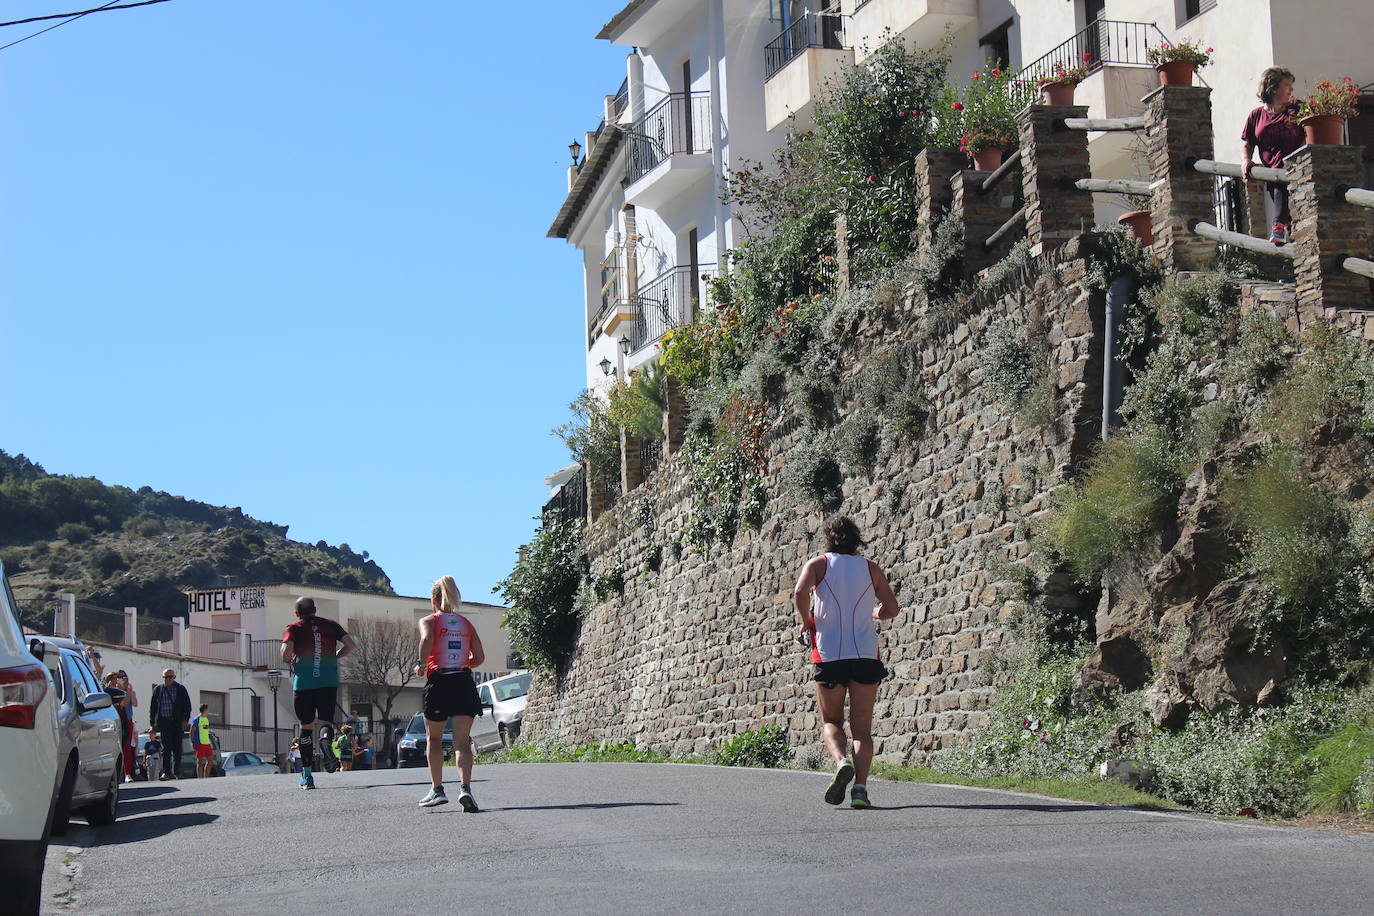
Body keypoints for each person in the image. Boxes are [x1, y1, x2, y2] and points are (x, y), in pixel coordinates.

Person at [792, 516, 900, 809]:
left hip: (829, 654)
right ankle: (860, 790)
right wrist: (873, 613)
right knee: (862, 730)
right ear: (856, 539)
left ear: (827, 538)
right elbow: (891, 609)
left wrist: (807, 620)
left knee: (831, 721)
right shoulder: (870, 568)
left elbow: (800, 592)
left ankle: (841, 762)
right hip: (865, 654)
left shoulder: (819, 564)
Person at [414, 575, 485, 810]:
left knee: (434, 739)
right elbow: (480, 657)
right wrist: (461, 663)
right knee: (462, 742)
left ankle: (437, 790)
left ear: (434, 599)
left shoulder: (429, 621)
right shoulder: (466, 623)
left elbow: (427, 639)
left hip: (440, 682)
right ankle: (465, 789)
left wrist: (421, 665)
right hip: (463, 681)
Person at [281, 596, 356, 790]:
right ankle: (325, 740)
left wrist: (289, 660)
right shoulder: (331, 625)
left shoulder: (294, 628)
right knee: (325, 722)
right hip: (328, 681)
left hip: (304, 684)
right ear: (315, 610)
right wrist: (335, 656)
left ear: (297, 613)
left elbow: (286, 651)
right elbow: (350, 645)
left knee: (306, 727)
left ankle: (307, 776)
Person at [1242, 66, 1303, 245]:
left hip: (1292, 169)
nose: (1291, 89)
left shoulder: (1297, 109)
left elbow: (1310, 132)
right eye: (1287, 85)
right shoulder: (1256, 116)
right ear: (1274, 88)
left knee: (1284, 199)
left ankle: (1278, 226)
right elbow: (1248, 144)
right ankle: (1288, 234)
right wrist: (1246, 160)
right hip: (1271, 174)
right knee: (1287, 210)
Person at [148, 668, 191, 780]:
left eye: (170, 677)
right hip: (164, 722)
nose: (168, 679)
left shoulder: (181, 689)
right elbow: (153, 708)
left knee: (177, 747)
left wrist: (185, 720)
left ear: (174, 677)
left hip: (177, 722)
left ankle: (177, 771)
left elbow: (187, 706)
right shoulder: (158, 689)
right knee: (166, 748)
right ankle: (166, 772)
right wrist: (152, 724)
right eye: (165, 677)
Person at [190, 704, 215, 778]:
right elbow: (192, 730)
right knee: (200, 762)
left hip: (207, 743)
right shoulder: (197, 719)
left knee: (210, 760)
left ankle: (206, 777)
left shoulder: (206, 719)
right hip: (199, 743)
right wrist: (192, 742)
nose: (208, 711)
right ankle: (200, 779)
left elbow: (206, 732)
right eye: (207, 710)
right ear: (204, 710)